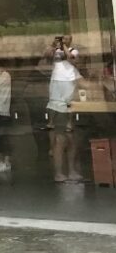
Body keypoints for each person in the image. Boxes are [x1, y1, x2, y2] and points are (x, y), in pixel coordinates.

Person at [45, 38, 83, 182]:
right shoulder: (55, 56)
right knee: (60, 140)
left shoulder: (72, 53)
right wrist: (53, 45)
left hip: (70, 104)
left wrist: (65, 46)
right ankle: (59, 172)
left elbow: (72, 59)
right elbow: (46, 56)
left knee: (72, 140)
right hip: (58, 105)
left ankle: (72, 170)